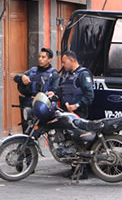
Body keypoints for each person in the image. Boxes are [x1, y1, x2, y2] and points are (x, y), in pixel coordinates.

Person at [48, 50, 94, 179]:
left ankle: (83, 170)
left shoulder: (83, 74)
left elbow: (89, 95)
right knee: (70, 141)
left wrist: (77, 105)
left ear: (72, 60)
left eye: (64, 61)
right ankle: (74, 168)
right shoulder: (67, 75)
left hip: (79, 113)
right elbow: (61, 90)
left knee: (80, 141)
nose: (63, 64)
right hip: (67, 113)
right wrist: (54, 94)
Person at [13, 47, 60, 111]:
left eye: (43, 57)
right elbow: (15, 78)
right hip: (29, 105)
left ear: (49, 59)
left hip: (44, 107)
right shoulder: (33, 70)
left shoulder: (54, 74)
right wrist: (22, 77)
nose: (40, 59)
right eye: (39, 57)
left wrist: (51, 94)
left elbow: (55, 91)